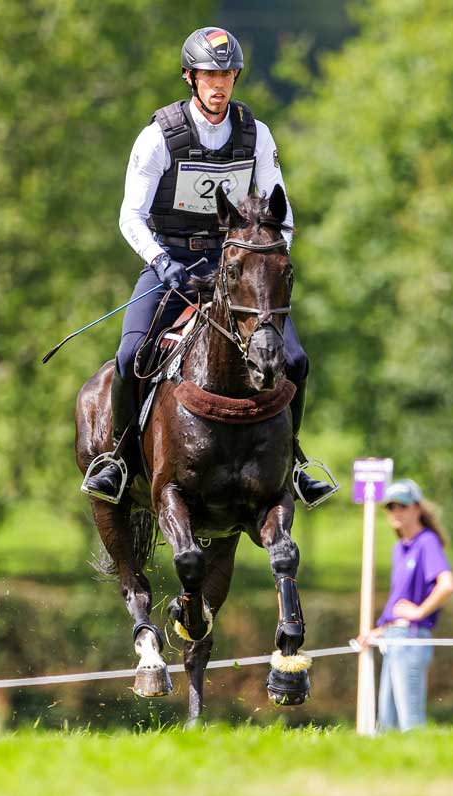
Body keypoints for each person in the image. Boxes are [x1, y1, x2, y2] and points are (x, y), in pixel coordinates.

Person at [81, 26, 337, 508]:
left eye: (227, 75)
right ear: (190, 77)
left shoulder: (256, 134)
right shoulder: (159, 137)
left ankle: (295, 463)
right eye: (209, 76)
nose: (219, 85)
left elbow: (281, 215)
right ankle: (119, 459)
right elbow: (130, 216)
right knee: (130, 355)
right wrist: (161, 261)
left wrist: (264, 259)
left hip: (235, 266)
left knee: (296, 360)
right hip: (171, 262)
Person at [355, 478, 453, 731]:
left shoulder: (427, 541)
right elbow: (398, 602)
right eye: (391, 506)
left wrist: (419, 612)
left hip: (411, 638)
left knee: (410, 723)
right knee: (387, 725)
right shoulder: (399, 548)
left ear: (417, 508)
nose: (396, 511)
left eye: (403, 505)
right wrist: (381, 629)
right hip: (394, 637)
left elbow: (447, 585)